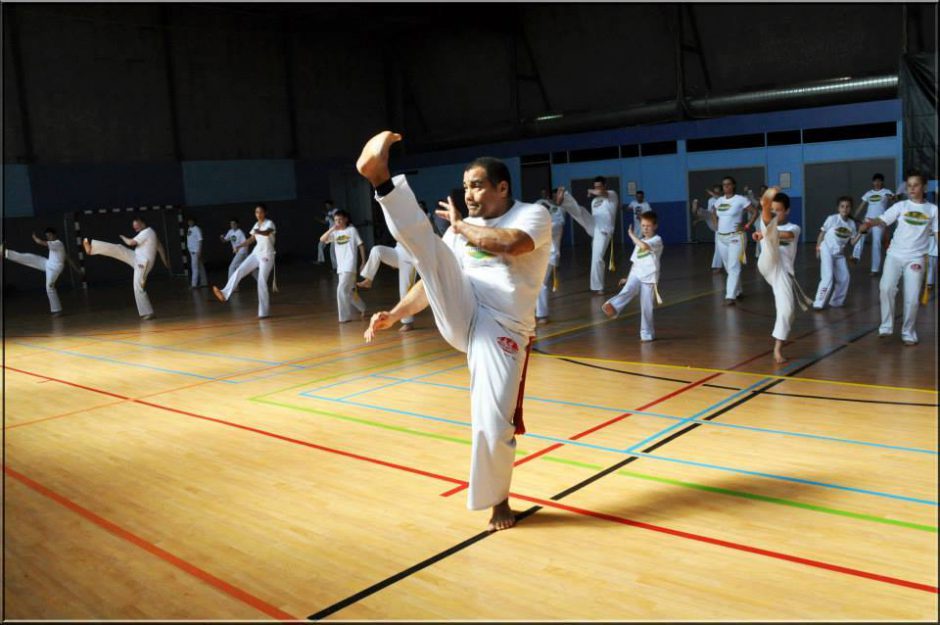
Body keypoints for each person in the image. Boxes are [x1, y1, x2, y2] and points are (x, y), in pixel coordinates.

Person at [357, 131, 550, 532]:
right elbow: (433, 276)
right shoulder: (459, 230)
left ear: (502, 186)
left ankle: (498, 500)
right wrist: (394, 314)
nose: (469, 194)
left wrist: (461, 229)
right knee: (430, 250)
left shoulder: (532, 215)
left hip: (502, 326)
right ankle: (381, 181)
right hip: (463, 313)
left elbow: (511, 244)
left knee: (493, 420)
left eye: (477, 186)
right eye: (465, 187)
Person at [858, 172, 938, 346]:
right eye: (909, 185)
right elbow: (883, 219)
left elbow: (937, 234)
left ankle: (908, 332)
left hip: (916, 257)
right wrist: (870, 223)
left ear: (924, 187)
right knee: (886, 288)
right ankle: (886, 326)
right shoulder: (901, 206)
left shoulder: (933, 210)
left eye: (916, 185)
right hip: (895, 254)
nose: (912, 188)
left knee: (911, 297)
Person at [753, 188, 812, 364]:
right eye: (772, 210)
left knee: (787, 312)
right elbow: (768, 231)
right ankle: (763, 204)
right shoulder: (767, 226)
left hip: (783, 273)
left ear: (787, 211)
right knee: (770, 241)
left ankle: (777, 349)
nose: (775, 213)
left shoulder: (794, 228)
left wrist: (765, 235)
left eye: (777, 210)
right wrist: (764, 233)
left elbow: (788, 235)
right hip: (768, 263)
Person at [82, 217, 170, 320]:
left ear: (143, 223)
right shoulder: (151, 234)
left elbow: (131, 243)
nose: (136, 229)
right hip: (137, 258)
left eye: (137, 226)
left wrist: (123, 237)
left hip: (143, 263)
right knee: (119, 248)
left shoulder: (147, 231)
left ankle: (148, 312)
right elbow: (160, 247)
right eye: (134, 228)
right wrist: (165, 262)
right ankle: (92, 249)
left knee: (138, 287)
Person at [601, 212, 663, 341]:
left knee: (646, 306)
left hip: (649, 276)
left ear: (655, 226)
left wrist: (631, 235)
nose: (645, 228)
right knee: (628, 289)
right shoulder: (639, 241)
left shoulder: (657, 240)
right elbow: (635, 262)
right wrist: (628, 278)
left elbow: (645, 247)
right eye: (643, 225)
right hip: (636, 273)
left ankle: (646, 333)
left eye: (648, 226)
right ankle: (613, 306)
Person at [212, 204, 277, 319]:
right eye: (256, 212)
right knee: (240, 270)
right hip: (256, 253)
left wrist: (258, 231)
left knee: (261, 282)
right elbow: (251, 239)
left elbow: (267, 233)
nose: (258, 214)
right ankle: (225, 293)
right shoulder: (256, 224)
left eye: (261, 212)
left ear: (265, 213)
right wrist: (239, 246)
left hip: (267, 255)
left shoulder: (269, 223)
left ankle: (263, 313)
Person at [556, 176, 619, 294]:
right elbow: (594, 212)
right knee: (581, 211)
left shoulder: (612, 195)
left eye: (599, 186)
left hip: (604, 230)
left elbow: (601, 193)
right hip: (594, 226)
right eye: (595, 187)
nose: (597, 189)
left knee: (597, 258)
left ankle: (598, 287)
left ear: (605, 186)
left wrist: (590, 191)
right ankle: (565, 198)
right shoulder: (594, 201)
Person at [2, 228, 79, 314]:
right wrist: (77, 270)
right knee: (30, 257)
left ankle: (57, 310)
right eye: (47, 236)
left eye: (50, 235)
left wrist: (34, 237)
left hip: (54, 270)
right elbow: (69, 259)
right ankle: (6, 253)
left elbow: (40, 242)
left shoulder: (58, 243)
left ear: (55, 235)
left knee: (49, 288)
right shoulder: (59, 246)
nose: (48, 237)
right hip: (48, 264)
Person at [813, 196, 862, 310]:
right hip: (826, 250)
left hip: (839, 254)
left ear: (851, 209)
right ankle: (818, 303)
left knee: (844, 278)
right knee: (828, 276)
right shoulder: (832, 219)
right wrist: (818, 248)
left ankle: (836, 301)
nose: (845, 209)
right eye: (842, 206)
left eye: (847, 206)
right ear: (838, 208)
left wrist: (861, 233)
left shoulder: (851, 224)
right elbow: (822, 233)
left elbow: (853, 242)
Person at [714, 176, 757, 305]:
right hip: (721, 237)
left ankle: (730, 296)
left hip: (736, 236)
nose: (726, 186)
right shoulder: (719, 201)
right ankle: (738, 290)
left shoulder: (740, 199)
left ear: (733, 185)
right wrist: (716, 223)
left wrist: (747, 225)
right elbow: (713, 213)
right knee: (728, 266)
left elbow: (755, 212)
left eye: (728, 184)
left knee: (733, 266)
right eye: (724, 184)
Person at [320, 209, 367, 323]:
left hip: (350, 265)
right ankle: (363, 307)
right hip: (341, 267)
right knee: (350, 292)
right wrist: (332, 228)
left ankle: (344, 317)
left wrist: (363, 262)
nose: (338, 222)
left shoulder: (352, 230)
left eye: (340, 219)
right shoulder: (335, 233)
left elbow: (361, 245)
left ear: (346, 219)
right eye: (336, 220)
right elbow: (322, 239)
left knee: (341, 289)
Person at [357, 242, 416, 331]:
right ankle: (368, 280)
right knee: (377, 250)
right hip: (398, 251)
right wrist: (391, 259)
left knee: (405, 290)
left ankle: (408, 322)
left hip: (411, 257)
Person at [534, 188, 567, 324]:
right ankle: (538, 312)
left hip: (549, 256)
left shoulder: (556, 221)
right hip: (538, 257)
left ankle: (542, 315)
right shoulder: (540, 224)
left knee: (540, 283)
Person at [851, 173, 895, 274]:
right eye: (875, 181)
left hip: (879, 221)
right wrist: (854, 217)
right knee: (860, 236)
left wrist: (893, 198)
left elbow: (894, 200)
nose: (877, 183)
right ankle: (855, 257)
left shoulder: (886, 192)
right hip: (867, 220)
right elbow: (861, 206)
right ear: (873, 182)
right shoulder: (868, 193)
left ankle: (874, 269)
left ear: (882, 182)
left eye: (879, 181)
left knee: (876, 243)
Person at [691, 185, 723, 273]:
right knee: (705, 212)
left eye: (717, 192)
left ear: (721, 192)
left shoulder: (723, 199)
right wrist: (698, 220)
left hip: (721, 224)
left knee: (719, 246)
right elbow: (709, 215)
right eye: (714, 192)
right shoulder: (711, 200)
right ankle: (696, 210)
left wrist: (711, 193)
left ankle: (719, 266)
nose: (715, 194)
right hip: (713, 222)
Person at [220, 218, 248, 290]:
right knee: (248, 268)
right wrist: (222, 238)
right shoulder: (230, 231)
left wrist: (243, 252)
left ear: (237, 224)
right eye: (231, 224)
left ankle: (232, 287)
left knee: (231, 267)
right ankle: (261, 280)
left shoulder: (240, 232)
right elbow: (225, 240)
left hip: (242, 252)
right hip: (239, 253)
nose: (232, 225)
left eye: (234, 224)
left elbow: (245, 243)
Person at [186, 216, 208, 289]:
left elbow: (200, 240)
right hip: (192, 251)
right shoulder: (189, 229)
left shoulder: (196, 229)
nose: (190, 223)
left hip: (196, 251)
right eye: (189, 221)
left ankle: (194, 284)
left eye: (191, 221)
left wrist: (199, 251)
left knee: (194, 267)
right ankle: (204, 282)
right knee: (200, 266)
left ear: (194, 222)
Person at [316, 200, 339, 269]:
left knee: (332, 250)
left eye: (328, 206)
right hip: (330, 232)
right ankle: (321, 260)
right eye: (326, 206)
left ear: (331, 205)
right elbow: (326, 222)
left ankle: (335, 268)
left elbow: (336, 219)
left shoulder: (336, 211)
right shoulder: (329, 212)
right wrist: (318, 220)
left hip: (336, 232)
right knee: (321, 244)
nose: (327, 207)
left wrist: (327, 215)